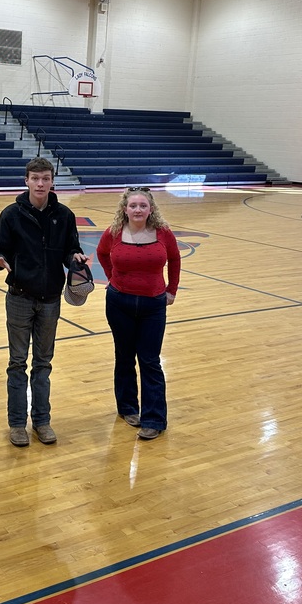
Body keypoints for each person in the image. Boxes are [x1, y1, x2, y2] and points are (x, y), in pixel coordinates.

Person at [0, 157, 86, 447]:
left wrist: (75, 259)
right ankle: (17, 424)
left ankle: (42, 421)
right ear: (26, 181)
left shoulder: (65, 215)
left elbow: (71, 249)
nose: (40, 183)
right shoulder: (11, 214)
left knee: (43, 364)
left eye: (45, 178)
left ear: (52, 181)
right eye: (35, 178)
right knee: (17, 363)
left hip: (51, 301)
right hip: (18, 297)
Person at [96, 187, 181, 440]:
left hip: (153, 306)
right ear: (125, 209)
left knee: (150, 361)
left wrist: (171, 290)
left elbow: (175, 259)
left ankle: (154, 418)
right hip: (119, 303)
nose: (137, 210)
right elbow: (101, 254)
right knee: (124, 357)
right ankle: (128, 408)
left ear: (151, 209)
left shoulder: (163, 233)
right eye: (133, 205)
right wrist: (113, 278)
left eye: (143, 205)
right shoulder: (114, 233)